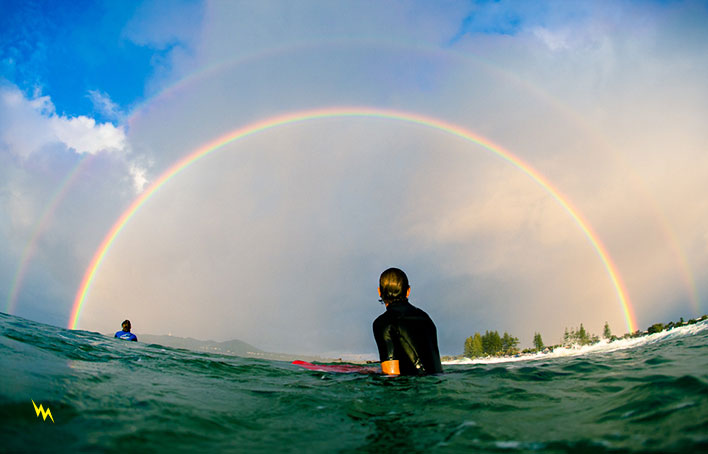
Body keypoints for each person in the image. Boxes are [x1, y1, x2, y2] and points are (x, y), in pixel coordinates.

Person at [373, 267, 443, 375]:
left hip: (409, 388)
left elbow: (391, 375)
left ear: (379, 291)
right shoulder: (426, 318)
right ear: (408, 291)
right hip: (435, 386)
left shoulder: (383, 323)